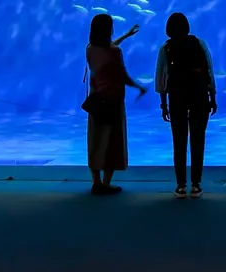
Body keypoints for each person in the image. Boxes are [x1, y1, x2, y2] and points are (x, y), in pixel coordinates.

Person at [155, 12, 216, 198]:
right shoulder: (199, 43)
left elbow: (161, 78)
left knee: (179, 141)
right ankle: (196, 185)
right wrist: (212, 97)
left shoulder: (166, 48)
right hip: (199, 96)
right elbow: (209, 70)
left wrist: (163, 104)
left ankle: (181, 185)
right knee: (198, 140)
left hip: (177, 97)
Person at [85, 13, 146, 195]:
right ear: (108, 29)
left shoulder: (89, 49)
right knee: (111, 141)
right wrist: (139, 87)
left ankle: (96, 182)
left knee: (96, 140)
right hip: (112, 100)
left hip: (95, 100)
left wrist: (126, 36)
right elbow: (122, 75)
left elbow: (106, 51)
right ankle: (106, 183)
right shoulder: (114, 52)